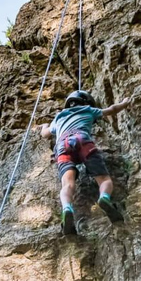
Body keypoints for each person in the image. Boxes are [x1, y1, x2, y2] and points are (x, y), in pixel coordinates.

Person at [38, 90, 131, 235]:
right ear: (86, 102)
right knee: (104, 179)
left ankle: (67, 208)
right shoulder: (88, 110)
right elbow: (112, 110)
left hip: (62, 145)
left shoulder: (59, 117)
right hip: (82, 140)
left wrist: (44, 126)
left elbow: (45, 134)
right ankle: (104, 198)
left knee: (67, 184)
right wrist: (125, 103)